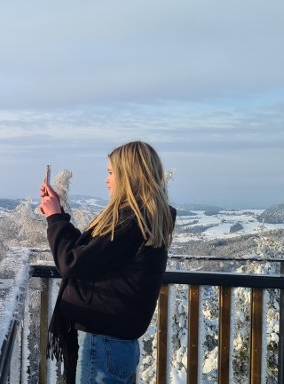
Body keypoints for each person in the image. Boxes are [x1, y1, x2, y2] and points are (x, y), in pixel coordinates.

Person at [38, 141, 176, 383]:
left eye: (111, 172)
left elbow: (71, 261)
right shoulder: (143, 220)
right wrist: (58, 214)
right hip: (112, 342)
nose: (106, 180)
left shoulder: (131, 222)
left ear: (129, 176)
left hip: (102, 343)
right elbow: (90, 255)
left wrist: (55, 218)